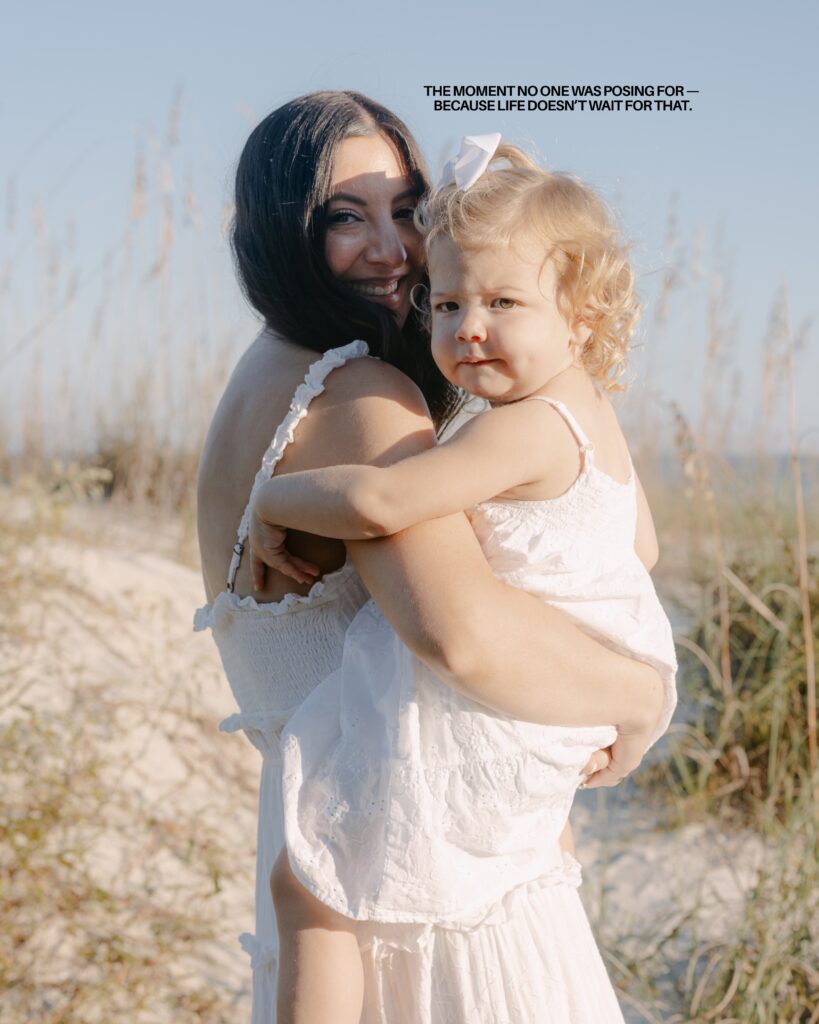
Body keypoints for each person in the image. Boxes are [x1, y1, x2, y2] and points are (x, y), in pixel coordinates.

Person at [195, 94, 665, 1024]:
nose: (394, 249)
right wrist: (642, 694)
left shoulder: (263, 375)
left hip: (351, 844)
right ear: (280, 231)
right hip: (417, 901)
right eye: (345, 216)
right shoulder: (360, 396)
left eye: (407, 209)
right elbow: (463, 638)